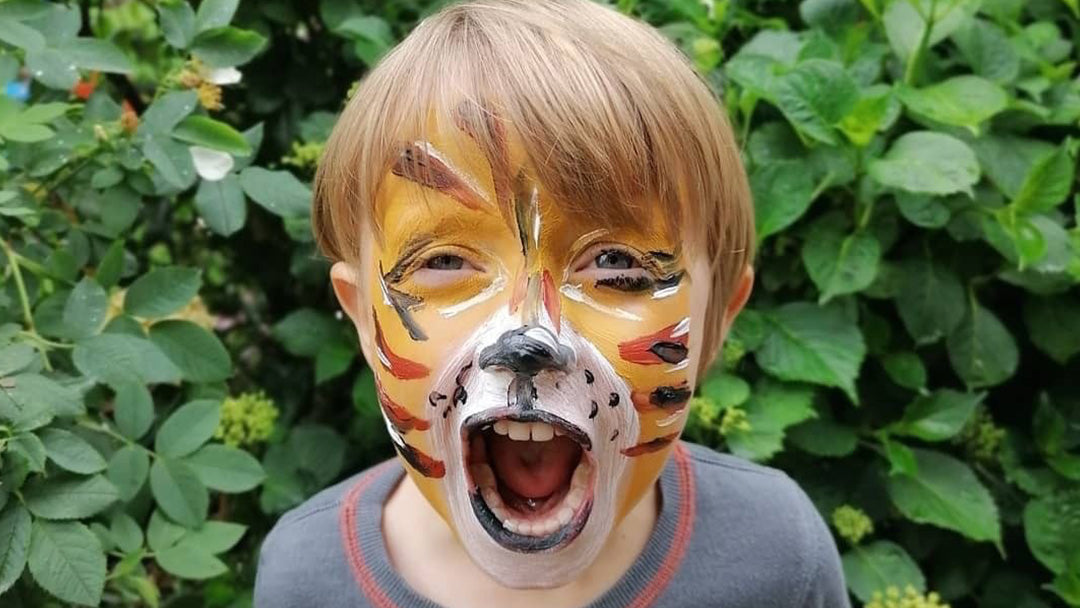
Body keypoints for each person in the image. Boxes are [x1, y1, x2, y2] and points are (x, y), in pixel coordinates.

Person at [254, 1, 850, 606]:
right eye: (445, 262)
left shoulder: (777, 560)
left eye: (617, 266)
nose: (528, 335)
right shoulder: (306, 578)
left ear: (718, 318)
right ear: (361, 316)